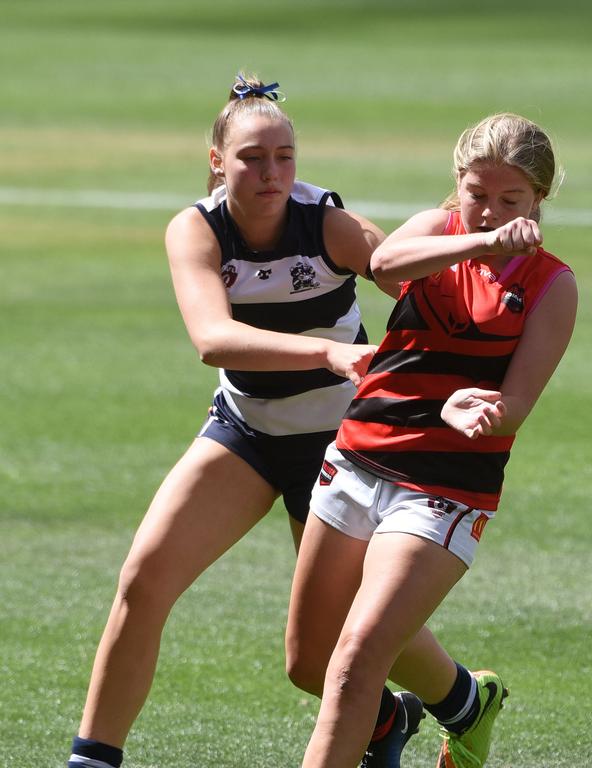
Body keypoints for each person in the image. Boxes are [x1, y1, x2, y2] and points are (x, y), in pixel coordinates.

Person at [66, 72, 397, 768]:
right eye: (252, 157)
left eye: (284, 156)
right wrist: (327, 353)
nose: (271, 171)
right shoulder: (197, 229)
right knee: (143, 580)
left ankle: (456, 702)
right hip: (246, 432)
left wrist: (472, 236)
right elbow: (211, 340)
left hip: (339, 446)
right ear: (217, 160)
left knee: (323, 655)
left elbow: (400, 269)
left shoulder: (327, 224)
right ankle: (91, 761)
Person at [285, 112, 578, 768]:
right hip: (357, 459)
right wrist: (478, 242)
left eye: (511, 200)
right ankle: (467, 704)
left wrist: (484, 411)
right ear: (458, 183)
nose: (489, 212)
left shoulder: (551, 285)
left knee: (355, 663)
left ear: (539, 200)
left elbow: (516, 406)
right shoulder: (434, 233)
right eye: (477, 194)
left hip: (444, 490)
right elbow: (384, 261)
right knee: (310, 663)